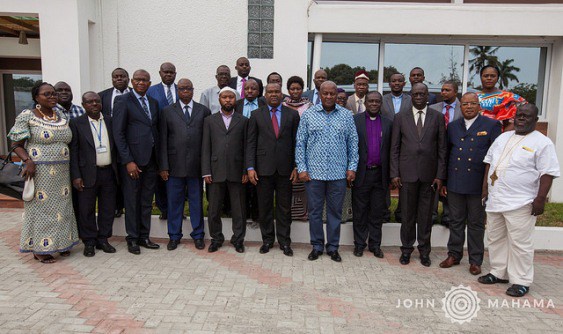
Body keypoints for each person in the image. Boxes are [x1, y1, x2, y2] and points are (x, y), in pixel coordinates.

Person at [478, 103, 559, 297]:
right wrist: (484, 190)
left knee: (520, 243)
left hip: (521, 201)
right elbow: (489, 165)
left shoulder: (542, 142)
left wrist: (541, 199)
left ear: (536, 120)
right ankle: (499, 272)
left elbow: (547, 173)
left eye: (526, 116)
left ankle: (521, 280)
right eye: (519, 115)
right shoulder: (503, 137)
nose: (521, 119)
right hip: (496, 199)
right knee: (495, 238)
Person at [8, 82, 79, 263]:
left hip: (62, 172)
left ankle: (62, 243)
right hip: (40, 172)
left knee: (62, 209)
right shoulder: (27, 116)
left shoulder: (61, 115)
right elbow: (15, 144)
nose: (52, 97)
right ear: (36, 97)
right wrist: (27, 160)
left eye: (53, 94)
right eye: (47, 94)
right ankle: (40, 248)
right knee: (43, 210)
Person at [296, 81, 359, 262]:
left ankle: (333, 247)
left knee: (335, 212)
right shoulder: (308, 115)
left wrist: (352, 168)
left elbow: (353, 144)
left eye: (332, 94)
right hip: (313, 174)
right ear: (320, 95)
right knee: (314, 212)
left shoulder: (347, 116)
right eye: (326, 94)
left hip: (338, 174)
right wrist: (302, 168)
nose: (329, 97)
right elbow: (300, 144)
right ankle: (316, 246)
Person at [439, 92, 502, 275]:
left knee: (475, 223)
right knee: (455, 221)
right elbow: (446, 154)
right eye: (465, 104)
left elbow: (495, 158)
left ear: (479, 106)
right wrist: (444, 180)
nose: (468, 107)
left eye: (472, 103)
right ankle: (454, 254)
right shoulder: (452, 126)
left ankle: (475, 260)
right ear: (460, 106)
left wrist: (488, 185)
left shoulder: (491, 125)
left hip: (477, 184)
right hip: (455, 182)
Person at [390, 83, 446, 267]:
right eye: (416, 94)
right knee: (407, 215)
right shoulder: (400, 118)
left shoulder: (437, 117)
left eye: (422, 94)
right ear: (411, 96)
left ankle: (424, 251)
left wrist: (439, 175)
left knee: (425, 216)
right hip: (406, 175)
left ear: (428, 95)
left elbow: (442, 149)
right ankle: (406, 250)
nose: (419, 97)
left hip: (429, 176)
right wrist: (395, 173)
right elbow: (395, 148)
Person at [246, 83, 300, 256]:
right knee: (265, 207)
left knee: (284, 208)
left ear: (282, 94)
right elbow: (251, 143)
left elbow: (297, 143)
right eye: (270, 92)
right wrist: (250, 167)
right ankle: (267, 240)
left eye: (277, 91)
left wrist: (297, 166)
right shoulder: (255, 115)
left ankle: (285, 242)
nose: (274, 94)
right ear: (265, 94)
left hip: (286, 170)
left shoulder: (292, 115)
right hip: (263, 170)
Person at [159, 78, 210, 251]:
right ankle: (174, 236)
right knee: (175, 203)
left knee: (196, 202)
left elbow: (207, 142)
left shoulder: (203, 111)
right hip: (174, 166)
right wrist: (163, 166)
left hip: (196, 166)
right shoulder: (167, 111)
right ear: (177, 91)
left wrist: (206, 168)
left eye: (188, 88)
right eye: (182, 89)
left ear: (193, 90)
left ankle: (198, 236)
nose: (185, 91)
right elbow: (163, 140)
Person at [113, 69, 160, 255]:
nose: (141, 82)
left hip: (150, 160)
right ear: (132, 81)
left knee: (147, 200)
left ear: (149, 83)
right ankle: (132, 238)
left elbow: (153, 130)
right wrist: (128, 160)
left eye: (145, 80)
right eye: (138, 80)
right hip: (133, 162)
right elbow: (118, 133)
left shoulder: (154, 103)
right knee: (132, 200)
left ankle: (144, 236)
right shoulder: (122, 101)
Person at [69, 91, 119, 257]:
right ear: (83, 105)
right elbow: (74, 151)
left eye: (96, 101)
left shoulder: (110, 121)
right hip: (87, 173)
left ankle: (103, 239)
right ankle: (89, 241)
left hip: (108, 173)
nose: (94, 104)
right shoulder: (77, 123)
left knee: (108, 208)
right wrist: (76, 176)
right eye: (89, 102)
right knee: (86, 209)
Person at [202, 87, 248, 253]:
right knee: (214, 209)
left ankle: (238, 239)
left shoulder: (243, 120)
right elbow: (205, 147)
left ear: (235, 99)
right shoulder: (209, 120)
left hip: (237, 171)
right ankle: (216, 238)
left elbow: (246, 147)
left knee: (239, 209)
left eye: (231, 97)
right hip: (215, 171)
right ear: (219, 99)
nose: (228, 100)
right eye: (224, 97)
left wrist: (245, 170)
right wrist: (206, 171)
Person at [352, 91, 393, 258]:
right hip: (362, 174)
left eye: (377, 101)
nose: (374, 104)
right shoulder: (355, 121)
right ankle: (359, 244)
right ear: (365, 103)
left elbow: (392, 149)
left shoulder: (389, 123)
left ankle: (375, 245)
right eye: (371, 101)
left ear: (381, 103)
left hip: (380, 174)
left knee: (377, 212)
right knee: (360, 211)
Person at [429, 81, 463, 227]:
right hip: (435, 153)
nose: (443, 93)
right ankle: (431, 214)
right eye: (442, 90)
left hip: (455, 152)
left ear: (455, 92)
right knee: (434, 183)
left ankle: (448, 216)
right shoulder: (432, 108)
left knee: (450, 184)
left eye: (447, 90)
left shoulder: (464, 109)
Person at [147, 62, 178, 220]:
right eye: (166, 72)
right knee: (161, 174)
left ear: (175, 74)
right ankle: (164, 208)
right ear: (160, 73)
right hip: (159, 139)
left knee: (177, 175)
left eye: (171, 72)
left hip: (179, 141)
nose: (168, 75)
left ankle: (177, 207)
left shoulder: (182, 90)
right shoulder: (151, 91)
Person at [99, 67, 130, 218]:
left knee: (128, 177)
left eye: (122, 76)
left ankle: (127, 204)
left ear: (128, 78)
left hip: (129, 144)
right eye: (115, 77)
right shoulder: (102, 96)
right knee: (114, 176)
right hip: (109, 142)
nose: (119, 79)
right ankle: (117, 206)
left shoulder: (135, 95)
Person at [382, 73, 412, 224]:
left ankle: (401, 211)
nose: (396, 83)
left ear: (404, 83)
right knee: (387, 176)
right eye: (393, 81)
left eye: (400, 81)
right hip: (386, 142)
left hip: (406, 142)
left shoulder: (411, 99)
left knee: (404, 176)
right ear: (389, 83)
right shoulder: (382, 99)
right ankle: (385, 210)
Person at [282, 76, 312, 222]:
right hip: (286, 146)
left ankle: (302, 213)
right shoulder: (282, 106)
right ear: (288, 90)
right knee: (288, 182)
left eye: (298, 88)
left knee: (302, 180)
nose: (295, 91)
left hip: (305, 147)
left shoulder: (309, 106)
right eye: (292, 89)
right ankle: (290, 215)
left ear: (302, 90)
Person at [235, 79, 264, 222]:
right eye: (247, 88)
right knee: (242, 184)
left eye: (253, 89)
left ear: (259, 91)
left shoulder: (264, 104)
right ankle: (243, 215)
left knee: (257, 184)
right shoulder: (236, 105)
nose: (250, 91)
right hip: (240, 149)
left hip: (260, 150)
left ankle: (257, 215)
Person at [478, 64, 526, 131]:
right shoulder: (474, 97)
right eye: (486, 76)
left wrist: (505, 133)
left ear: (497, 78)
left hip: (501, 136)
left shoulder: (508, 97)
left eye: (493, 76)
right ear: (481, 77)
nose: (489, 78)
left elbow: (527, 111)